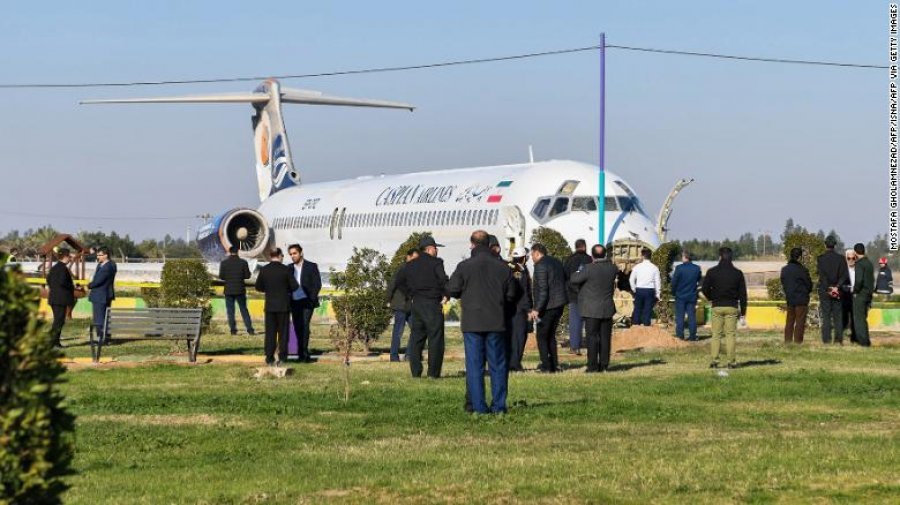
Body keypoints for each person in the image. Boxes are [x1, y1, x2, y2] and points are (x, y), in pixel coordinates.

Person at [447, 230, 518, 414]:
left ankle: (478, 407)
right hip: (496, 321)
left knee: (475, 366)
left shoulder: (464, 266)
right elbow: (512, 294)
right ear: (488, 244)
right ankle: (499, 405)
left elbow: (452, 289)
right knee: (498, 365)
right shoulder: (503, 267)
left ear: (472, 244)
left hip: (472, 322)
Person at [396, 236, 449, 378]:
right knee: (435, 339)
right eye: (435, 248)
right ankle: (433, 373)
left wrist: (410, 294)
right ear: (429, 249)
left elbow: (399, 281)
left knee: (416, 338)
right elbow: (443, 280)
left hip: (417, 303)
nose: (437, 250)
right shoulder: (436, 263)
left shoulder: (411, 264)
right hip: (432, 303)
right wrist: (446, 295)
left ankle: (415, 371)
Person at [569, 244, 618, 372]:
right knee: (605, 338)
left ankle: (592, 366)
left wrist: (580, 270)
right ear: (605, 255)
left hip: (591, 309)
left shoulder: (588, 268)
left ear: (592, 256)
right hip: (607, 308)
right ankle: (604, 365)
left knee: (592, 338)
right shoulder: (613, 268)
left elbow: (574, 279)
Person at [701, 247, 747, 369]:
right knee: (730, 335)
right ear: (731, 257)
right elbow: (743, 295)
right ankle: (731, 362)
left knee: (716, 335)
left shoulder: (712, 272)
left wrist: (712, 298)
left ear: (720, 257)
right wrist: (743, 312)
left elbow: (704, 289)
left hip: (717, 306)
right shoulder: (738, 273)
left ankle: (715, 361)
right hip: (732, 306)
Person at [255, 248, 299, 366]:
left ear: (270, 256)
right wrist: (285, 289)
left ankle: (269, 358)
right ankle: (282, 357)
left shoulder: (264, 270)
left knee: (270, 333)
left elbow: (258, 287)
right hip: (283, 306)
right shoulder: (285, 270)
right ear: (279, 256)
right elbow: (295, 287)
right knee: (283, 333)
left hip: (269, 306)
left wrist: (268, 289)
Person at [529, 243, 567, 373]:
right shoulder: (556, 262)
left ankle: (546, 366)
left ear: (537, 252)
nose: (531, 257)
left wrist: (536, 309)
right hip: (559, 304)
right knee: (551, 336)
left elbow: (543, 290)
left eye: (532, 254)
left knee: (542, 336)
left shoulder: (540, 266)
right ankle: (554, 364)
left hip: (548, 306)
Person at [287, 244, 322, 362]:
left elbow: (317, 284)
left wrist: (311, 298)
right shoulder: (289, 268)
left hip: (308, 302)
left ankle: (304, 353)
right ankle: (299, 350)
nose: (293, 256)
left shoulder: (311, 266)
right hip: (294, 302)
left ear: (301, 253)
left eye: (294, 253)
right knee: (297, 326)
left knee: (304, 325)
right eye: (291, 254)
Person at [385, 249, 418, 362]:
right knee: (398, 331)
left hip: (409, 306)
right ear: (408, 257)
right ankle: (394, 356)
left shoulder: (415, 270)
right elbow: (392, 284)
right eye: (414, 258)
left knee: (416, 329)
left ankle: (408, 355)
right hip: (400, 305)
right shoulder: (402, 269)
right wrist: (388, 299)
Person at [816, 236, 850, 344]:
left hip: (825, 291)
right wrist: (836, 287)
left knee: (826, 316)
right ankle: (838, 340)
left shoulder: (820, 259)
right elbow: (844, 275)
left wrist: (829, 288)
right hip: (838, 290)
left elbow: (822, 276)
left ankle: (826, 339)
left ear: (825, 245)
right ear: (835, 245)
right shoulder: (841, 259)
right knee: (838, 316)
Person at [218, 245, 255, 336]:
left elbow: (221, 276)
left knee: (230, 311)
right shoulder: (243, 262)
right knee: (244, 310)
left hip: (229, 290)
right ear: (238, 252)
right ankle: (250, 330)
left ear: (230, 252)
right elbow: (247, 276)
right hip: (240, 290)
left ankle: (233, 330)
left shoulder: (224, 263)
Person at [564, 239, 592, 354]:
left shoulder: (569, 260)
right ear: (585, 247)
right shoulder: (589, 259)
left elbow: (565, 277)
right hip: (588, 295)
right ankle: (592, 346)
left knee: (575, 322)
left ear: (575, 247)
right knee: (590, 321)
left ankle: (575, 347)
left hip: (573, 295)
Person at [507, 247, 532, 372]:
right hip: (519, 309)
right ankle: (515, 363)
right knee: (519, 337)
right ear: (523, 258)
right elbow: (524, 292)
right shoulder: (520, 270)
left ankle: (512, 362)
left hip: (508, 308)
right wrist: (529, 309)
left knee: (511, 337)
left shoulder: (508, 267)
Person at [780, 247, 813, 344]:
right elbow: (809, 285)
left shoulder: (784, 269)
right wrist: (806, 292)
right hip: (801, 299)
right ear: (799, 257)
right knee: (800, 322)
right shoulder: (802, 270)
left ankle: (787, 341)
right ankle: (798, 342)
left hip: (789, 298)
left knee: (789, 321)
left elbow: (783, 282)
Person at [46, 248, 75, 348]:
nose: (70, 259)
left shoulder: (54, 268)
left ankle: (54, 342)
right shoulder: (63, 268)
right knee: (58, 321)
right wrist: (72, 287)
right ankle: (52, 342)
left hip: (54, 298)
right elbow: (63, 282)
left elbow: (48, 280)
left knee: (58, 321)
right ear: (66, 257)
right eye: (70, 257)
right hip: (61, 299)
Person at [87, 247, 117, 343]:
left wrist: (89, 285)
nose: (97, 257)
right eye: (97, 255)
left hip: (101, 295)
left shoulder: (107, 267)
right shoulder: (106, 265)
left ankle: (102, 338)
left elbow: (98, 281)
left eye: (100, 255)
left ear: (106, 255)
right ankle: (106, 337)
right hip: (104, 294)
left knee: (99, 318)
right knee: (104, 317)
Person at [671, 251, 702, 341]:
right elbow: (699, 280)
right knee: (691, 316)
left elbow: (674, 282)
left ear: (685, 257)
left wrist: (673, 292)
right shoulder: (697, 268)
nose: (681, 258)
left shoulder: (679, 268)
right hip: (692, 295)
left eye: (682, 256)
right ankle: (692, 336)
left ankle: (680, 336)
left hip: (680, 295)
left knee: (680, 317)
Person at [629, 248, 661, 326]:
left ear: (642, 256)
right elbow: (658, 282)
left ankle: (635, 326)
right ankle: (646, 327)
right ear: (651, 256)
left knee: (637, 309)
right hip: (650, 290)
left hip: (639, 289)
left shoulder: (637, 267)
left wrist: (634, 289)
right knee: (647, 310)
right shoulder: (655, 267)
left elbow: (631, 279)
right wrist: (658, 294)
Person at [851, 243, 874, 347]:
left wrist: (855, 291)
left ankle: (863, 342)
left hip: (861, 294)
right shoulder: (869, 263)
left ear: (855, 252)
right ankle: (866, 340)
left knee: (859, 319)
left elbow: (859, 280)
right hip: (869, 293)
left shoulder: (859, 264)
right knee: (863, 318)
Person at [841, 249, 858, 343]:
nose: (851, 260)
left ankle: (854, 337)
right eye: (849, 258)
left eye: (853, 258)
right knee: (844, 318)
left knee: (855, 318)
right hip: (845, 297)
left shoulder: (859, 269)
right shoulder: (842, 270)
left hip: (855, 296)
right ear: (845, 258)